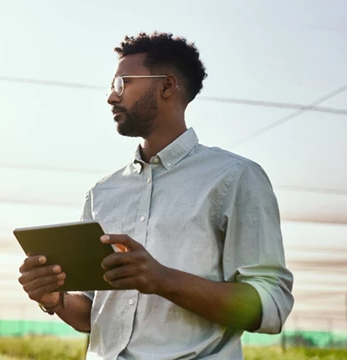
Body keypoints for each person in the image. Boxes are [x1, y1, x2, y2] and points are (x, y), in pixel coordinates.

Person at [17, 32, 294, 359]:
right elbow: (93, 314)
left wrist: (162, 279)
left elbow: (271, 303)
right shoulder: (103, 192)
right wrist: (55, 299)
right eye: (110, 86)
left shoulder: (234, 177)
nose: (110, 97)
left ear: (166, 86)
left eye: (122, 84)